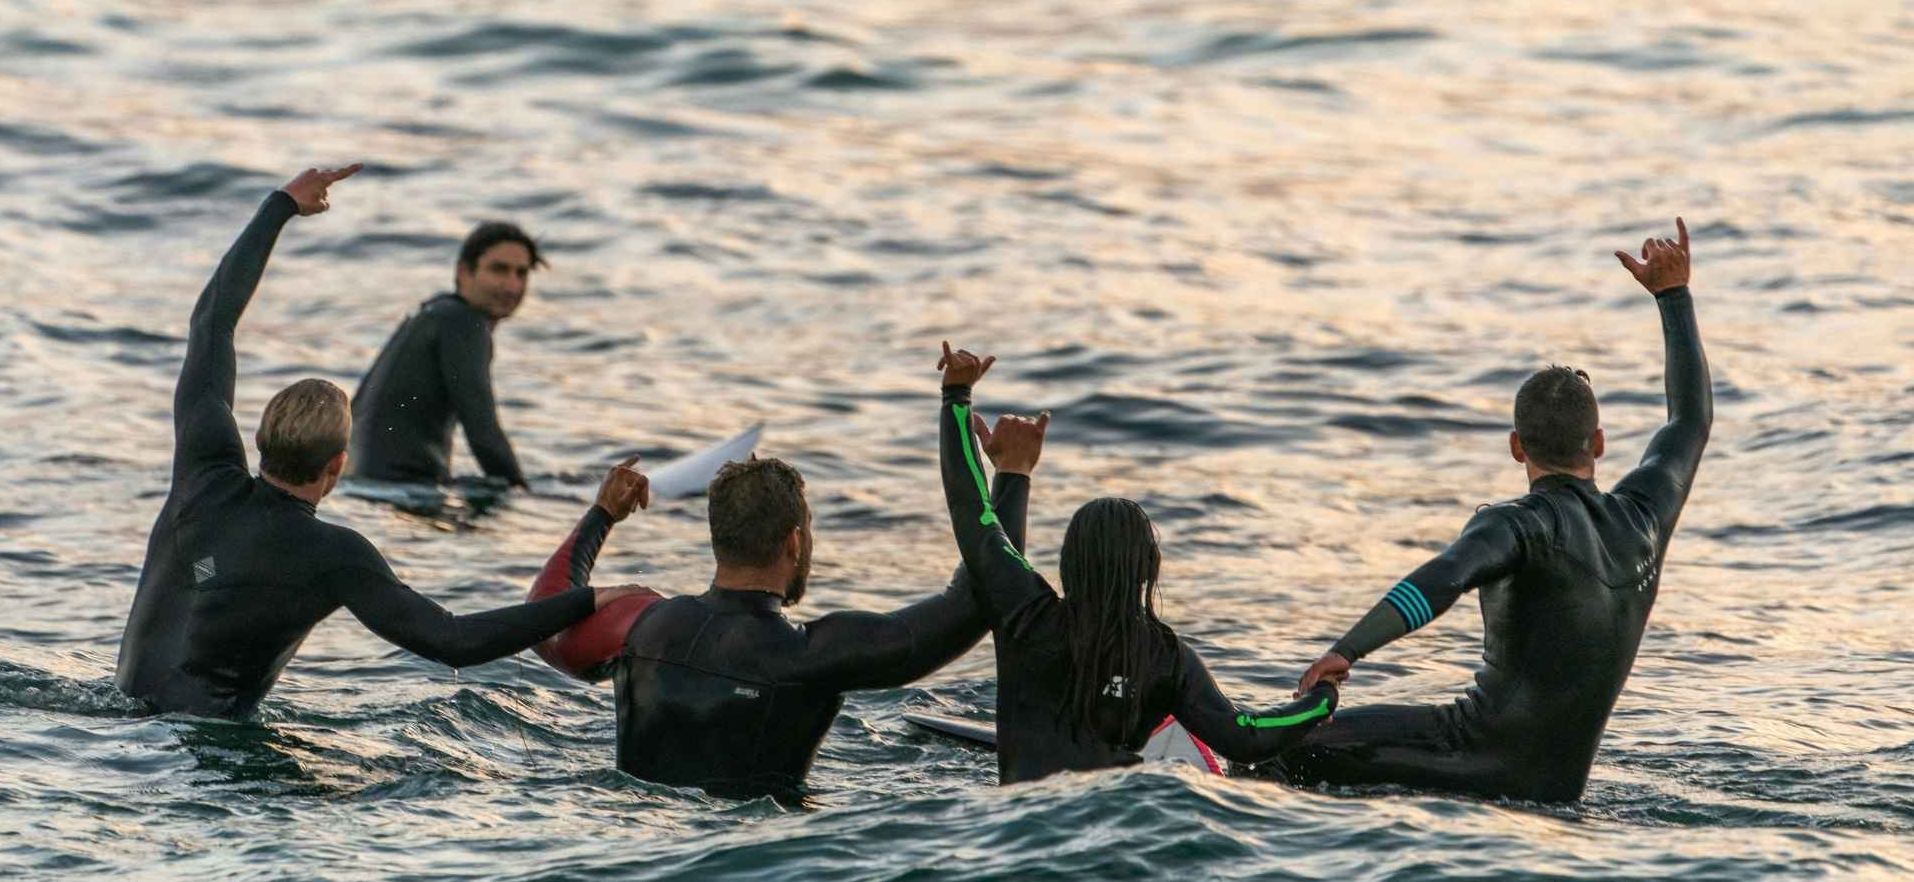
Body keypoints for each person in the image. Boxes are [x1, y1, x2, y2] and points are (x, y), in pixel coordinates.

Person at [114, 168, 646, 719]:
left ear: (259, 438)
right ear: (338, 466)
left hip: (122, 725)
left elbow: (212, 322)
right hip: (209, 751)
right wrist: (586, 599)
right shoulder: (336, 555)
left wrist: (281, 206)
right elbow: (453, 640)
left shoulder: (203, 471)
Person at [1258, 219, 1711, 803]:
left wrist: (1346, 650)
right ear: (1597, 443)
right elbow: (1689, 421)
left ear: (1517, 446)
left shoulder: (1515, 525)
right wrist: (1674, 296)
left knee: (1280, 752)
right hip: (1557, 789)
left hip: (1472, 757)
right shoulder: (1644, 518)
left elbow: (1440, 580)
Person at [935, 343, 1338, 785]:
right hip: (1126, 816)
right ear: (1149, 569)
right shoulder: (1166, 657)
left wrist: (957, 398)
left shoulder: (1026, 616)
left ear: (1068, 562)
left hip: (1024, 814)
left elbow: (971, 510)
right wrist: (1322, 697)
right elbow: (1247, 736)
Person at [525, 447, 1022, 797]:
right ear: (793, 543)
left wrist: (602, 515)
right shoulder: (812, 656)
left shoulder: (641, 624)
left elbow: (544, 616)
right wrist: (1012, 474)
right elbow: (975, 601)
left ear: (717, 538)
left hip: (634, 836)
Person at [346, 220, 545, 487]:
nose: (512, 286)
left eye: (521, 274)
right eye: (499, 270)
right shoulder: (462, 321)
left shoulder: (434, 314)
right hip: (399, 487)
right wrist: (524, 493)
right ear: (464, 272)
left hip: (361, 482)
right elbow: (483, 434)